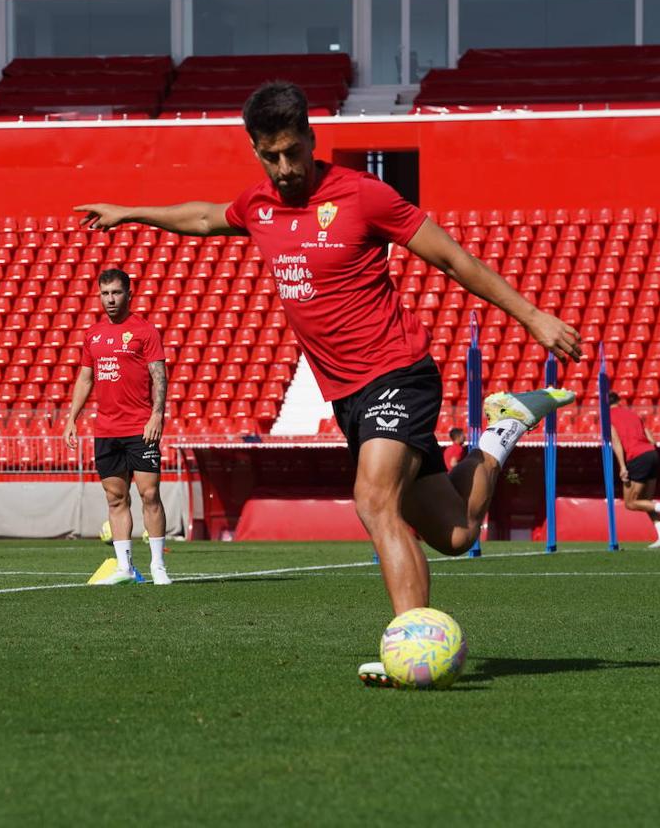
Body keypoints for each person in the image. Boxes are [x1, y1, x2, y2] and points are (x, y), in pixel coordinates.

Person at [75, 81, 582, 685]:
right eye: (271, 156)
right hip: (348, 397)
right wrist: (133, 212)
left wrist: (533, 317)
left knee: (373, 500)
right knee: (454, 531)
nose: (285, 168)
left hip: (399, 371)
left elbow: (451, 259)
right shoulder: (259, 206)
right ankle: (503, 427)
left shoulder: (364, 196)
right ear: (256, 153)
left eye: (293, 152)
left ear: (313, 140)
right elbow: (207, 217)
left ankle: (413, 648)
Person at [64, 268, 172, 585]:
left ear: (129, 294)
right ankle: (125, 567)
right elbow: (85, 378)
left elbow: (159, 376)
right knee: (115, 498)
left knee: (149, 494)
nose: (110, 300)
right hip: (106, 430)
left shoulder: (145, 331)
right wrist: (72, 417)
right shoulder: (93, 335)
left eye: (116, 293)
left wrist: (157, 415)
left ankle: (158, 566)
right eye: (105, 294)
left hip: (140, 427)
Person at [607, 392, 660, 547]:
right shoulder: (633, 414)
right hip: (651, 453)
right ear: (619, 401)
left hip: (637, 456)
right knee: (646, 502)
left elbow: (615, 442)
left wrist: (622, 466)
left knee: (630, 503)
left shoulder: (607, 417)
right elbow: (651, 438)